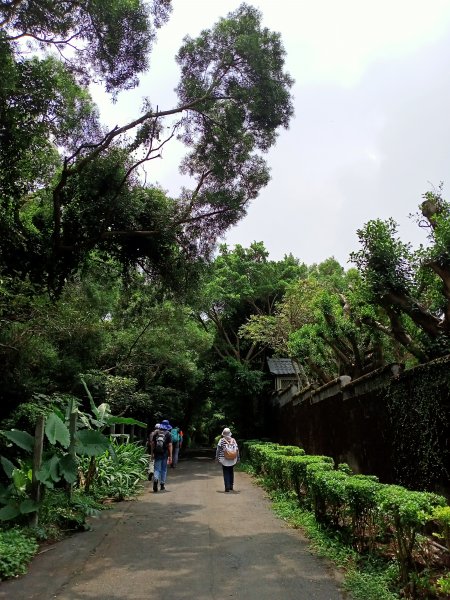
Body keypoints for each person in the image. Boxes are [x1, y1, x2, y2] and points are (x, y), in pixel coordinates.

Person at [150, 420, 172, 492]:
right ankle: (162, 485)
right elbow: (170, 445)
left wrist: (152, 454)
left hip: (157, 453)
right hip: (165, 454)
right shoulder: (168, 433)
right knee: (163, 469)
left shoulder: (156, 433)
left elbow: (152, 444)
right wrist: (170, 456)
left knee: (157, 469)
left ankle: (156, 479)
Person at [216, 427, 239, 492]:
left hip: (224, 459)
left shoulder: (221, 440)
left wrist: (217, 458)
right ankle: (231, 486)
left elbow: (218, 450)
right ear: (230, 433)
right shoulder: (233, 440)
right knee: (231, 472)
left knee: (226, 472)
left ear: (223, 434)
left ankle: (227, 487)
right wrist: (238, 458)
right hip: (232, 459)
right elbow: (237, 450)